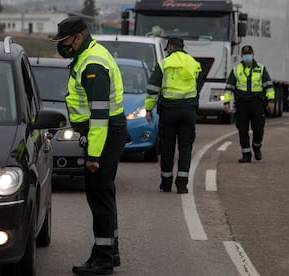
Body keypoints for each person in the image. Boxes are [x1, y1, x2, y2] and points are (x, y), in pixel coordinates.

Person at [51, 16, 127, 275]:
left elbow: (99, 116)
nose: (62, 46)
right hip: (105, 133)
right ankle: (110, 251)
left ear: (79, 37)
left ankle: (103, 258)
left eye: (64, 41)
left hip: (102, 135)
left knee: (99, 196)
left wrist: (94, 154)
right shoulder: (89, 56)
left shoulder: (93, 63)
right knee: (105, 193)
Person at [145, 37, 202, 194]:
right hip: (188, 112)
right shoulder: (194, 63)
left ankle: (166, 182)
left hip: (169, 111)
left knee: (167, 147)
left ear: (169, 47)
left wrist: (148, 109)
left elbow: (153, 89)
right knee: (185, 148)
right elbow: (198, 87)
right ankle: (182, 185)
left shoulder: (163, 64)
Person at [223, 45, 275, 163]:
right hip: (242, 104)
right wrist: (226, 102)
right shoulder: (236, 70)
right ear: (242, 56)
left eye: (249, 54)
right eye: (245, 54)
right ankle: (246, 154)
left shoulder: (261, 69)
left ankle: (257, 147)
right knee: (242, 130)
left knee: (258, 128)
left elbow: (269, 86)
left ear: (253, 55)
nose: (247, 57)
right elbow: (229, 88)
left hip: (257, 103)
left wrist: (271, 101)